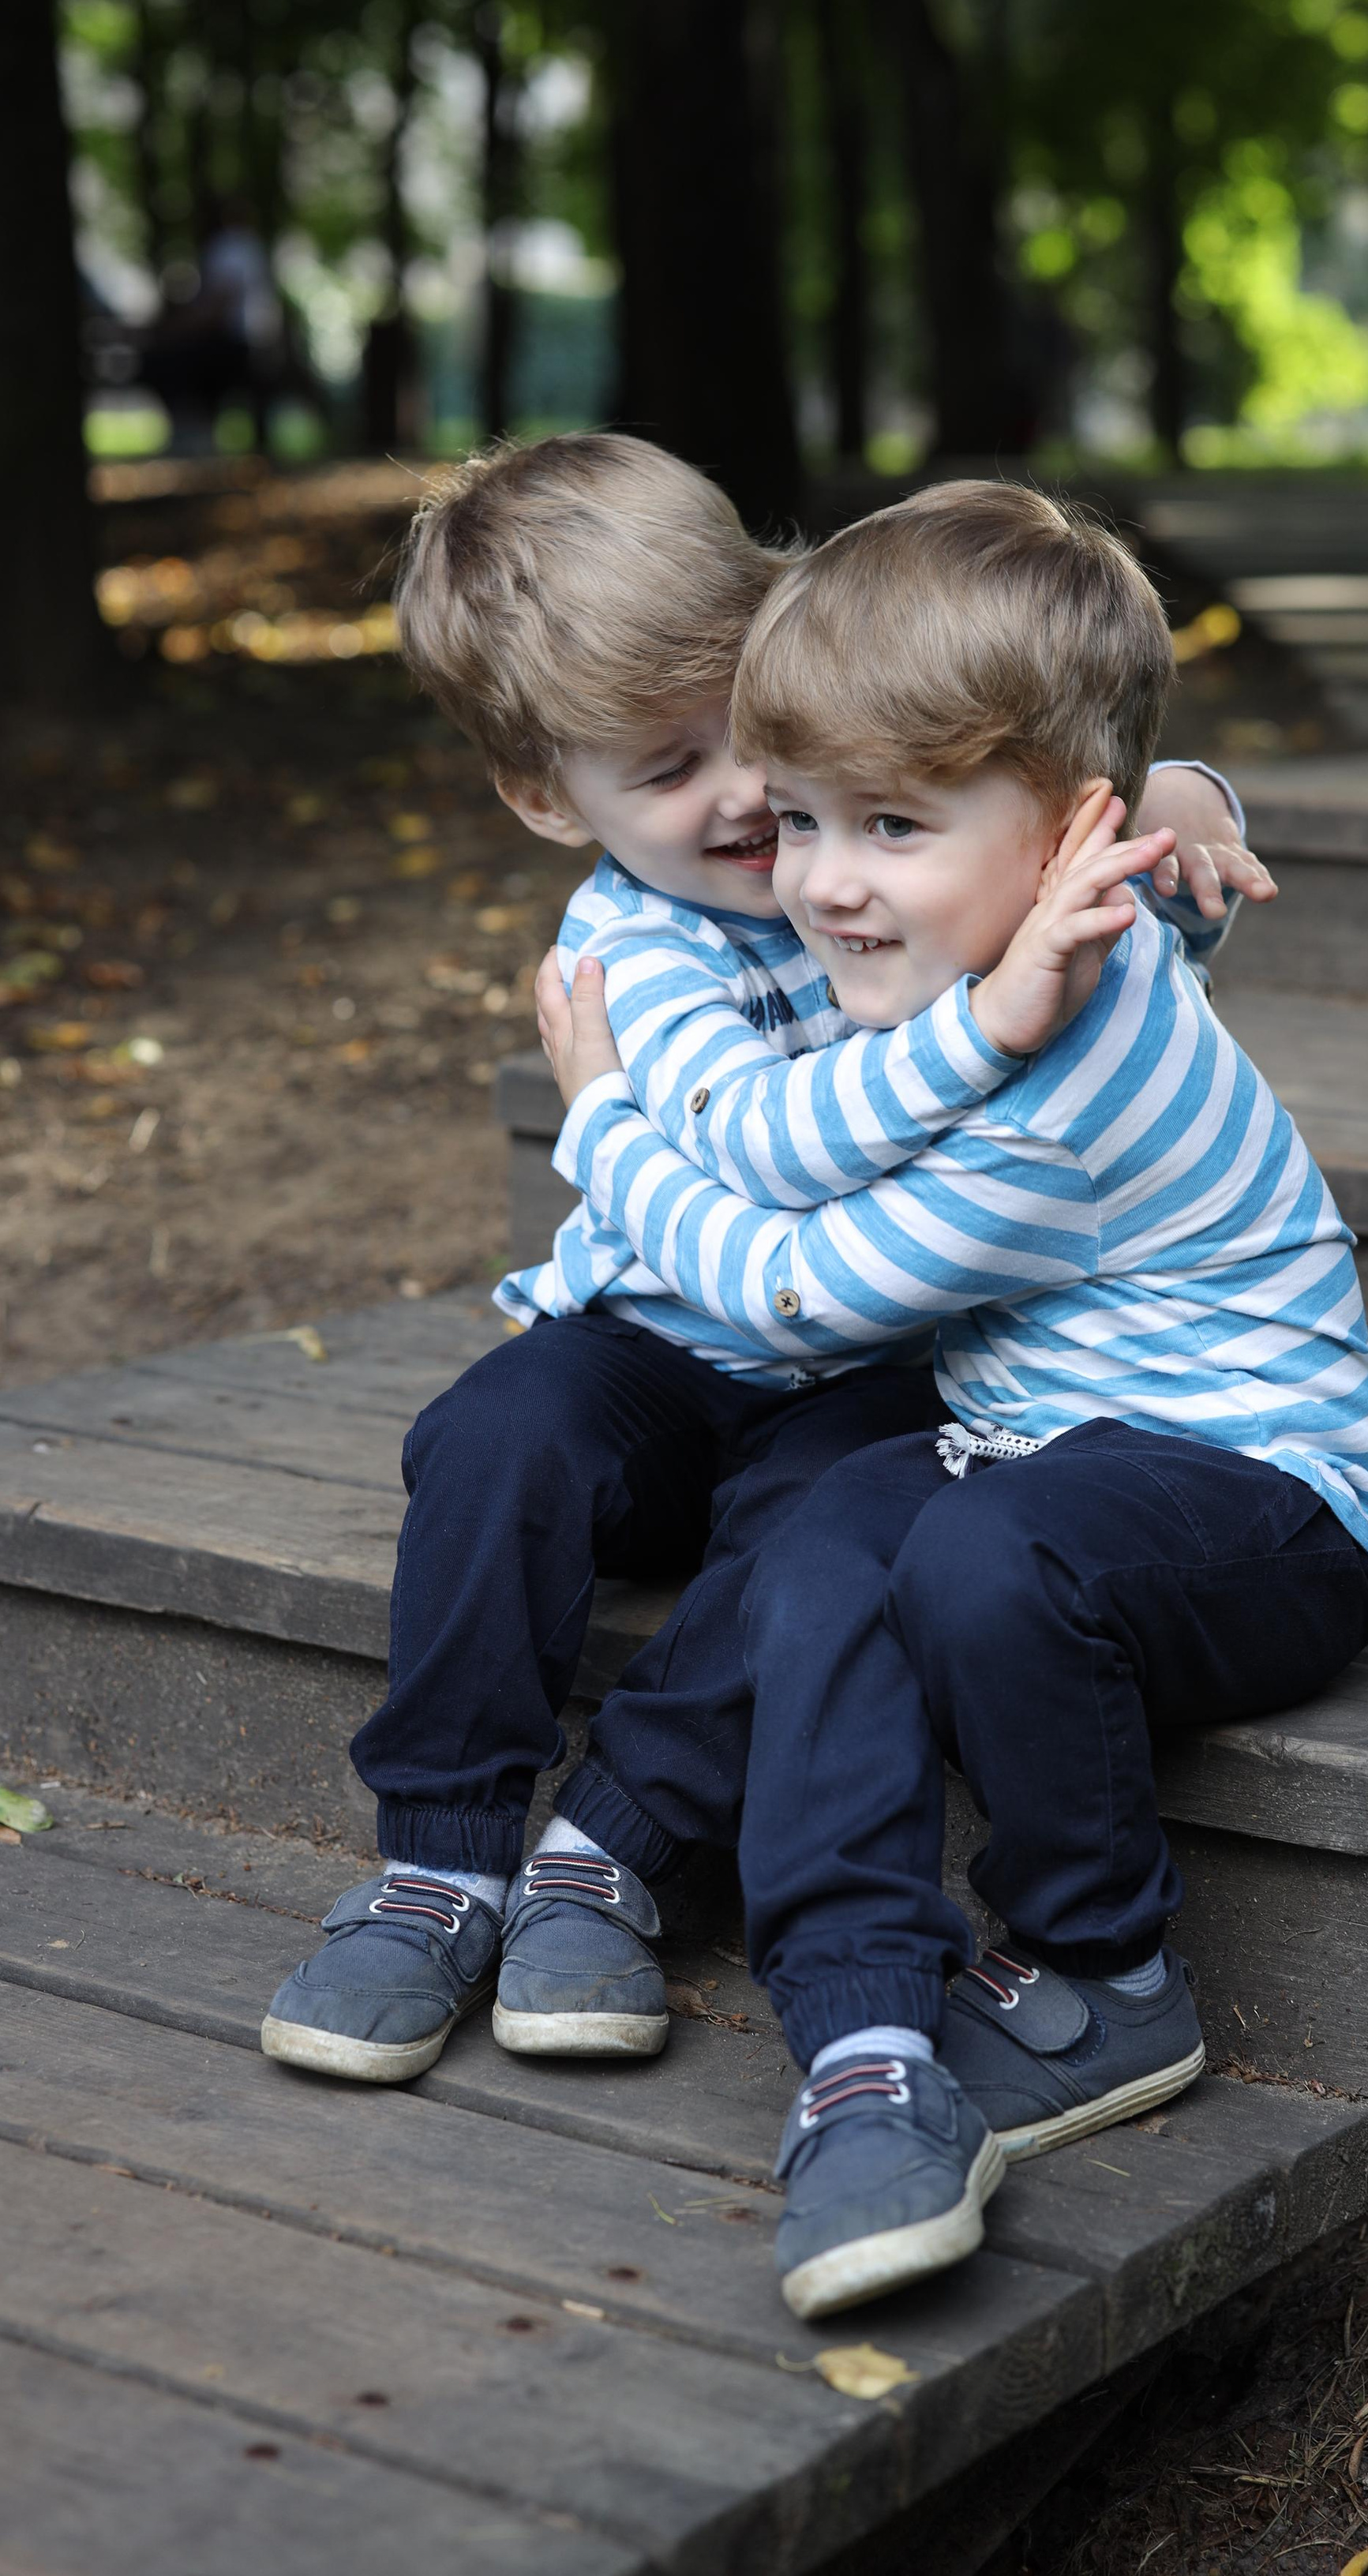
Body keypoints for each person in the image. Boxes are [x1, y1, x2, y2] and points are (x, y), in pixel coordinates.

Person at [262, 433, 1272, 2087]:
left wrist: (1174, 797)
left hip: (875, 1356)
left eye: (749, 718)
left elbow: (1108, 898)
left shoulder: (870, 850)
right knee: (495, 1434)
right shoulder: (629, 949)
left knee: (834, 1525)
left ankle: (614, 1840)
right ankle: (441, 1853)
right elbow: (756, 1142)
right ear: (545, 798)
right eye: (669, 767)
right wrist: (957, 1033)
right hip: (668, 1336)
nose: (745, 794)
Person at [536, 480, 1368, 2321]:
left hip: (1260, 1507)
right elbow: (794, 1144)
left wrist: (603, 1124)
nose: (822, 883)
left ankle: (1105, 1972)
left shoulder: (1066, 1072)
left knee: (975, 1554)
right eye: (800, 819)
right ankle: (848, 2010)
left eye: (893, 826)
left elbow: (797, 1285)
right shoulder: (996, 967)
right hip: (1042, 1444)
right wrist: (1186, 795)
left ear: (1067, 839)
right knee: (827, 1535)